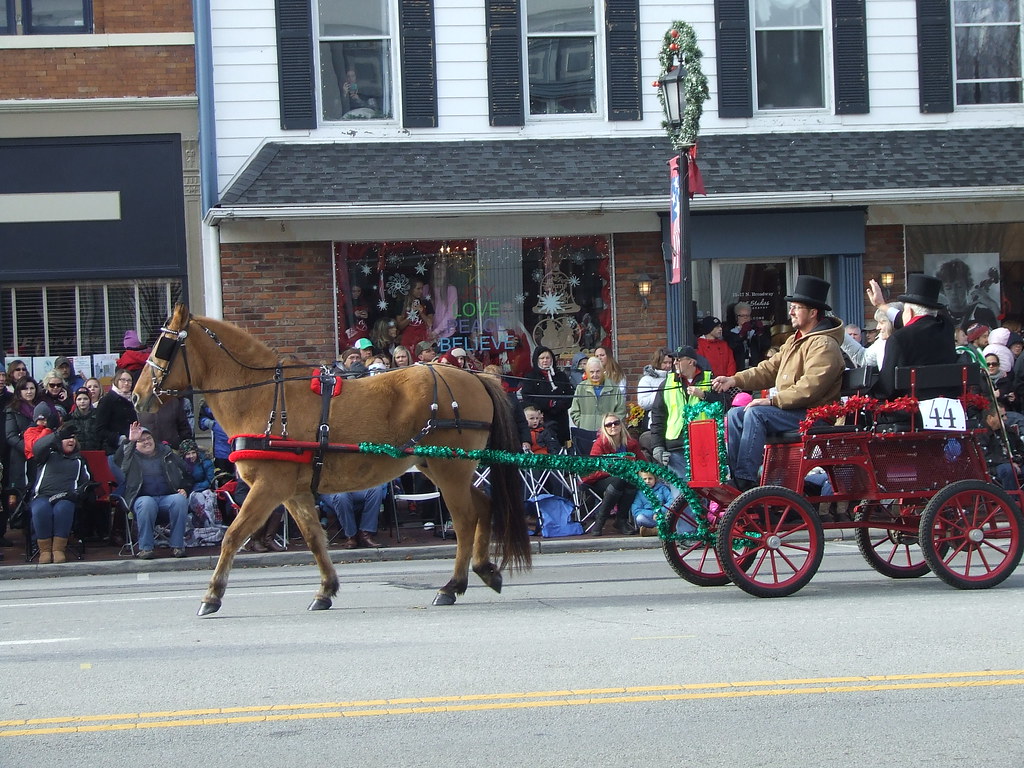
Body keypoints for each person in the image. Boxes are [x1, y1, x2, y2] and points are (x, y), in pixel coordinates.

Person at [712, 276, 845, 490]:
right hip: (791, 412)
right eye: (791, 307)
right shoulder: (795, 340)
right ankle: (737, 478)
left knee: (756, 413)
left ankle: (746, 482)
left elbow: (810, 387)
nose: (791, 312)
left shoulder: (824, 344)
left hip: (813, 416)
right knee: (736, 414)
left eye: (796, 307)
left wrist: (772, 401)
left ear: (813, 313)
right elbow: (768, 368)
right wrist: (734, 379)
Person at [869, 274, 959, 401]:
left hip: (910, 412)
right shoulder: (946, 327)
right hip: (947, 401)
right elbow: (914, 322)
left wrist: (869, 393)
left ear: (910, 312)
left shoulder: (898, 339)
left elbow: (886, 389)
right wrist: (881, 305)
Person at [650, 346, 726, 480]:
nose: (674, 363)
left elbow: (724, 405)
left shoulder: (710, 379)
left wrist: (703, 395)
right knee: (681, 496)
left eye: (678, 359)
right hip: (675, 447)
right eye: (674, 360)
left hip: (704, 447)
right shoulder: (667, 384)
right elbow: (658, 417)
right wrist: (658, 446)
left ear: (691, 362)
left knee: (705, 490)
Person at [117, 422, 191, 559]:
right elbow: (119, 461)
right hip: (141, 500)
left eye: (148, 439)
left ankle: (177, 546)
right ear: (136, 445)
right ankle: (146, 549)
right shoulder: (130, 458)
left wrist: (185, 489)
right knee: (147, 502)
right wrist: (130, 441)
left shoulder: (167, 453)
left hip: (166, 499)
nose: (146, 442)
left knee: (180, 499)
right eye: (141, 441)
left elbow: (187, 473)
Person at [30, 423, 91, 564]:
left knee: (63, 509)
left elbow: (86, 482)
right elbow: (37, 447)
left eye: (73, 438)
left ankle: (58, 549)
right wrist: (57, 435)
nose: (71, 441)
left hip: (66, 497)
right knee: (40, 509)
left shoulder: (79, 460)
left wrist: (78, 493)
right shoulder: (47, 455)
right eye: (67, 438)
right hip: (43, 496)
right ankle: (45, 551)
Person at [581, 413, 644, 536]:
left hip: (624, 479)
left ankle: (621, 520)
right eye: (609, 424)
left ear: (621, 425)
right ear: (604, 428)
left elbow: (642, 463)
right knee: (620, 479)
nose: (613, 426)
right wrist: (614, 470)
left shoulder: (631, 444)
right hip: (599, 480)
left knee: (631, 480)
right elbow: (592, 470)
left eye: (616, 423)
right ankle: (600, 521)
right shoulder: (600, 444)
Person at [520, 345, 573, 446]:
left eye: (547, 358)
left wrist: (559, 405)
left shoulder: (561, 376)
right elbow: (527, 398)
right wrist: (549, 403)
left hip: (560, 419)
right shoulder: (531, 377)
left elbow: (569, 395)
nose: (545, 361)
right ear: (537, 360)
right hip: (541, 421)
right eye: (542, 358)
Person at [568, 356, 626, 444]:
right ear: (587, 373)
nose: (595, 375)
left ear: (603, 371)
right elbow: (574, 411)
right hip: (586, 432)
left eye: (598, 371)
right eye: (591, 372)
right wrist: (582, 422)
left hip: (608, 434)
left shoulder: (613, 387)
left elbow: (621, 411)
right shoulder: (581, 387)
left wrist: (612, 425)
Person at [318, 485, 386, 549]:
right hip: (332, 489)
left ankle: (365, 535)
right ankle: (351, 536)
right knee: (341, 497)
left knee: (376, 488)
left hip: (355, 487)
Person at [979, 407, 1024, 490]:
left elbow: (1020, 446)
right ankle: (1012, 500)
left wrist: (1018, 458)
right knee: (1009, 470)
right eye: (1002, 416)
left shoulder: (1007, 429)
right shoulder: (981, 433)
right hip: (994, 467)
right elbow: (985, 456)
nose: (1006, 419)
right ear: (990, 418)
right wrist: (1009, 462)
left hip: (1014, 462)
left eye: (1005, 415)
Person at [95, 368, 138, 454]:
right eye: (123, 380)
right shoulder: (107, 400)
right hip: (114, 449)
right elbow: (99, 429)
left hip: (133, 447)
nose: (126, 383)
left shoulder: (134, 399)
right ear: (116, 381)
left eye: (129, 381)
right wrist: (119, 438)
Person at [178, 438, 218, 529]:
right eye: (188, 454)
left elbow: (210, 480)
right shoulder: (181, 465)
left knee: (204, 497)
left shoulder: (205, 462)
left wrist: (196, 488)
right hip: (188, 492)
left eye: (193, 453)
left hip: (204, 489)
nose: (191, 456)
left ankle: (210, 523)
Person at [725, 302, 772, 371]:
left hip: (755, 368)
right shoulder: (731, 332)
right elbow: (733, 346)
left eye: (748, 316)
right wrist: (742, 333)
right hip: (739, 368)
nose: (746, 318)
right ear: (736, 317)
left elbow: (766, 345)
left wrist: (760, 333)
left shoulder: (754, 331)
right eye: (743, 316)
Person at [198, 402, 234, 482]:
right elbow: (201, 421)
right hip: (221, 451)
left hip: (239, 448)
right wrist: (212, 424)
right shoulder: (210, 403)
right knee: (223, 480)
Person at [630, 470, 673, 537]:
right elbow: (636, 510)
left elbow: (671, 501)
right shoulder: (639, 493)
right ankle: (660, 529)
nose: (647, 481)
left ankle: (654, 530)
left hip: (662, 516)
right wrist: (653, 514)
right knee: (639, 518)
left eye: (650, 478)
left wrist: (659, 513)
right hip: (649, 518)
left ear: (655, 479)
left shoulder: (662, 489)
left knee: (672, 516)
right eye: (644, 479)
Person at [396, 279, 435, 351]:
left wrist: (421, 312)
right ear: (411, 289)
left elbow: (430, 323)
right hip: (408, 339)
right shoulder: (402, 304)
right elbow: (399, 326)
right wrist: (412, 314)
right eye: (418, 289)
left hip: (423, 339)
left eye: (422, 288)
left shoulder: (426, 303)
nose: (421, 291)